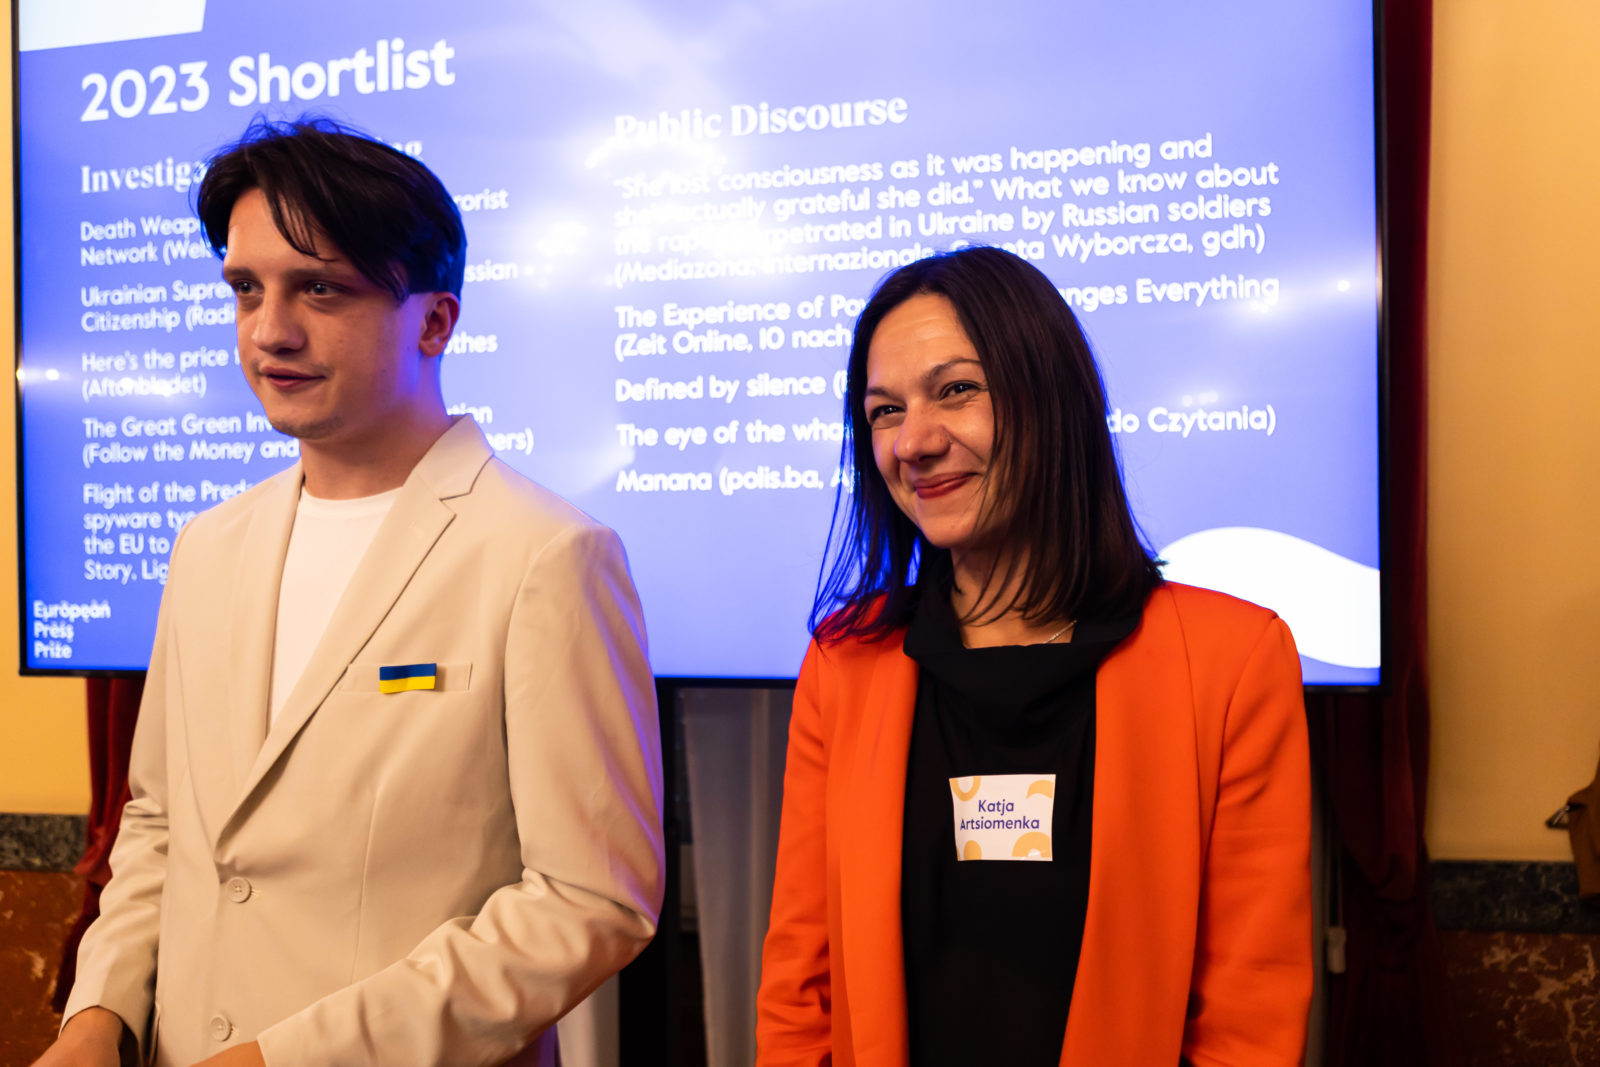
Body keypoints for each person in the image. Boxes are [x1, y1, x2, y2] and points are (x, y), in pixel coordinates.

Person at [36, 120, 664, 1067]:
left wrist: (288, 1055)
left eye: (320, 288)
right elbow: (161, 826)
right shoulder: (207, 546)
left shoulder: (546, 553)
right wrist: (100, 1013)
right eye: (246, 289)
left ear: (435, 321)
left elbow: (589, 901)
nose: (270, 330)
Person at [755, 246, 1311, 1065]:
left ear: (1052, 398)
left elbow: (1248, 1015)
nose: (914, 442)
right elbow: (801, 992)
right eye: (884, 411)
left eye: (956, 390)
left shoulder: (1231, 661)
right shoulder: (845, 664)